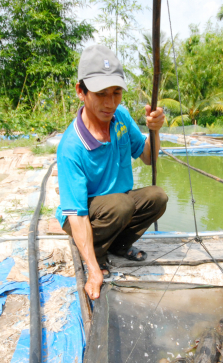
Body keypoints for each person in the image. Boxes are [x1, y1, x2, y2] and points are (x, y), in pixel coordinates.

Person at [55, 44, 168, 300]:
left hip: (117, 207)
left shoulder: (122, 116)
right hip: (83, 216)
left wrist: (155, 130)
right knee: (120, 204)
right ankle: (96, 253)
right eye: (101, 94)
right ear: (81, 92)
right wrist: (93, 270)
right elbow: (77, 215)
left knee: (157, 196)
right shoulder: (71, 147)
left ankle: (118, 245)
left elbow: (148, 157)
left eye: (116, 93)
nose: (110, 103)